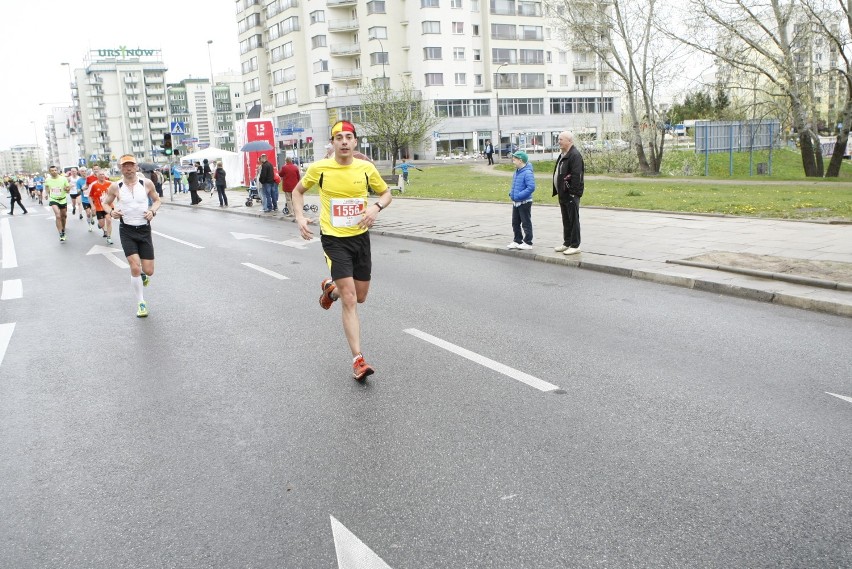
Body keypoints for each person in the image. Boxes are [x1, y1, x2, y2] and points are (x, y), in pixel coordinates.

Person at [292, 120, 392, 381]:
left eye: (349, 137)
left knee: (359, 297)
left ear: (355, 141)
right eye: (339, 137)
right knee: (350, 300)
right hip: (334, 239)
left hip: (360, 238)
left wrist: (375, 208)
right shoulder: (320, 168)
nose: (344, 141)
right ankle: (358, 360)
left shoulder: (366, 168)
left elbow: (386, 193)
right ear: (333, 143)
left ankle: (331, 289)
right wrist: (300, 217)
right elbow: (298, 190)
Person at [101, 154, 161, 318]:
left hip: (144, 230)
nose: (128, 168)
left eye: (131, 165)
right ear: (121, 168)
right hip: (127, 230)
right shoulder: (115, 186)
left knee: (148, 271)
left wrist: (152, 211)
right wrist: (112, 212)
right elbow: (105, 203)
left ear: (136, 167)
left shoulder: (146, 183)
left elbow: (157, 200)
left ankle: (143, 275)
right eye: (125, 165)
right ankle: (141, 303)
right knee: (134, 266)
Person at [552, 131, 584, 255]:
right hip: (562, 193)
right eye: (558, 139)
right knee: (566, 219)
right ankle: (567, 243)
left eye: (561, 139)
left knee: (573, 220)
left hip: (571, 194)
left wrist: (573, 193)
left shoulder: (574, 155)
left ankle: (575, 245)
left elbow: (577, 175)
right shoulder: (563, 154)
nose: (558, 141)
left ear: (569, 141)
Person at [507, 151, 535, 250]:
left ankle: (528, 242)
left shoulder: (527, 172)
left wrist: (519, 196)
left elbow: (531, 187)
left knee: (526, 222)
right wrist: (511, 193)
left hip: (524, 202)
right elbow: (514, 185)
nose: (513, 161)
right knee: (515, 222)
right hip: (516, 202)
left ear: (520, 160)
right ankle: (517, 240)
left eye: (514, 159)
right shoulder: (517, 172)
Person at [45, 165, 71, 241]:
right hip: (53, 199)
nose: (54, 172)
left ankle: (63, 229)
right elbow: (46, 187)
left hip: (62, 199)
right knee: (58, 216)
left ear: (57, 171)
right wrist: (46, 194)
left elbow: (68, 189)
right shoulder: (48, 180)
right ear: (49, 172)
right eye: (52, 170)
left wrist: (67, 189)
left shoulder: (63, 179)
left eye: (55, 170)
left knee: (64, 216)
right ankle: (60, 233)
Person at [88, 169, 114, 244]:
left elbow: (115, 193)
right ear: (97, 176)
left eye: (103, 174)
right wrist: (92, 206)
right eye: (100, 175)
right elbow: (90, 196)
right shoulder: (94, 185)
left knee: (109, 220)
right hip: (99, 207)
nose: (102, 176)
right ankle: (100, 225)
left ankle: (109, 237)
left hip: (108, 206)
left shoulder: (110, 184)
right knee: (102, 224)